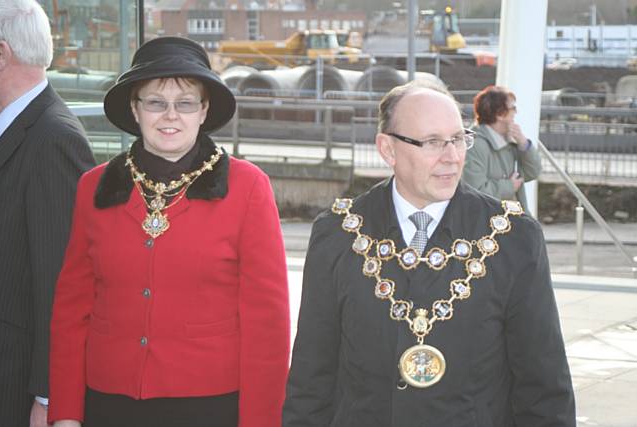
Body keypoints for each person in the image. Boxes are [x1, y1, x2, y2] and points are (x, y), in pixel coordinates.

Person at [283, 81, 575, 426]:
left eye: (457, 139)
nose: (451, 157)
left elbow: (543, 386)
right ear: (387, 149)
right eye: (432, 142)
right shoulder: (338, 233)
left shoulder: (514, 238)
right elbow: (311, 377)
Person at [48, 36, 290, 427]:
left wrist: (262, 420)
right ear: (135, 108)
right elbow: (71, 310)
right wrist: (65, 414)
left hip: (210, 406)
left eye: (185, 103)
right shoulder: (94, 187)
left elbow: (269, 323)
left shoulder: (248, 187)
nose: (170, 116)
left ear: (203, 110)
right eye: (156, 102)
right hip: (109, 403)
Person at [0, 1, 95, 426]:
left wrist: (50, 397)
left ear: (0, 54)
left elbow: (63, 281)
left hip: (14, 389)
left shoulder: (55, 139)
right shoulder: (12, 125)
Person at [462, 85, 542, 212]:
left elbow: (533, 172)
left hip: (511, 222)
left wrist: (523, 143)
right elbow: (475, 192)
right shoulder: (475, 145)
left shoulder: (509, 140)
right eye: (513, 108)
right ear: (500, 113)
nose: (516, 112)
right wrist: (509, 186)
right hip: (489, 225)